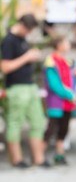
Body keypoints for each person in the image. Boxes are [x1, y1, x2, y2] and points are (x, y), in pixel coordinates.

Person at [0, 14, 48, 168]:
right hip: (16, 88)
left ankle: (39, 159)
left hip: (30, 86)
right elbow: (5, 67)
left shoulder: (23, 40)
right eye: (28, 29)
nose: (29, 32)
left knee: (38, 122)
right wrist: (26, 57)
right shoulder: (9, 40)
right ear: (21, 24)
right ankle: (17, 159)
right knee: (15, 123)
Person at [43, 35, 76, 165]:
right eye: (66, 42)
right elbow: (54, 84)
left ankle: (59, 154)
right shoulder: (51, 61)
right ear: (59, 45)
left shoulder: (66, 61)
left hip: (67, 103)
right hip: (56, 102)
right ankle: (39, 155)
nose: (68, 45)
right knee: (51, 128)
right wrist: (69, 95)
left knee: (64, 129)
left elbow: (71, 80)